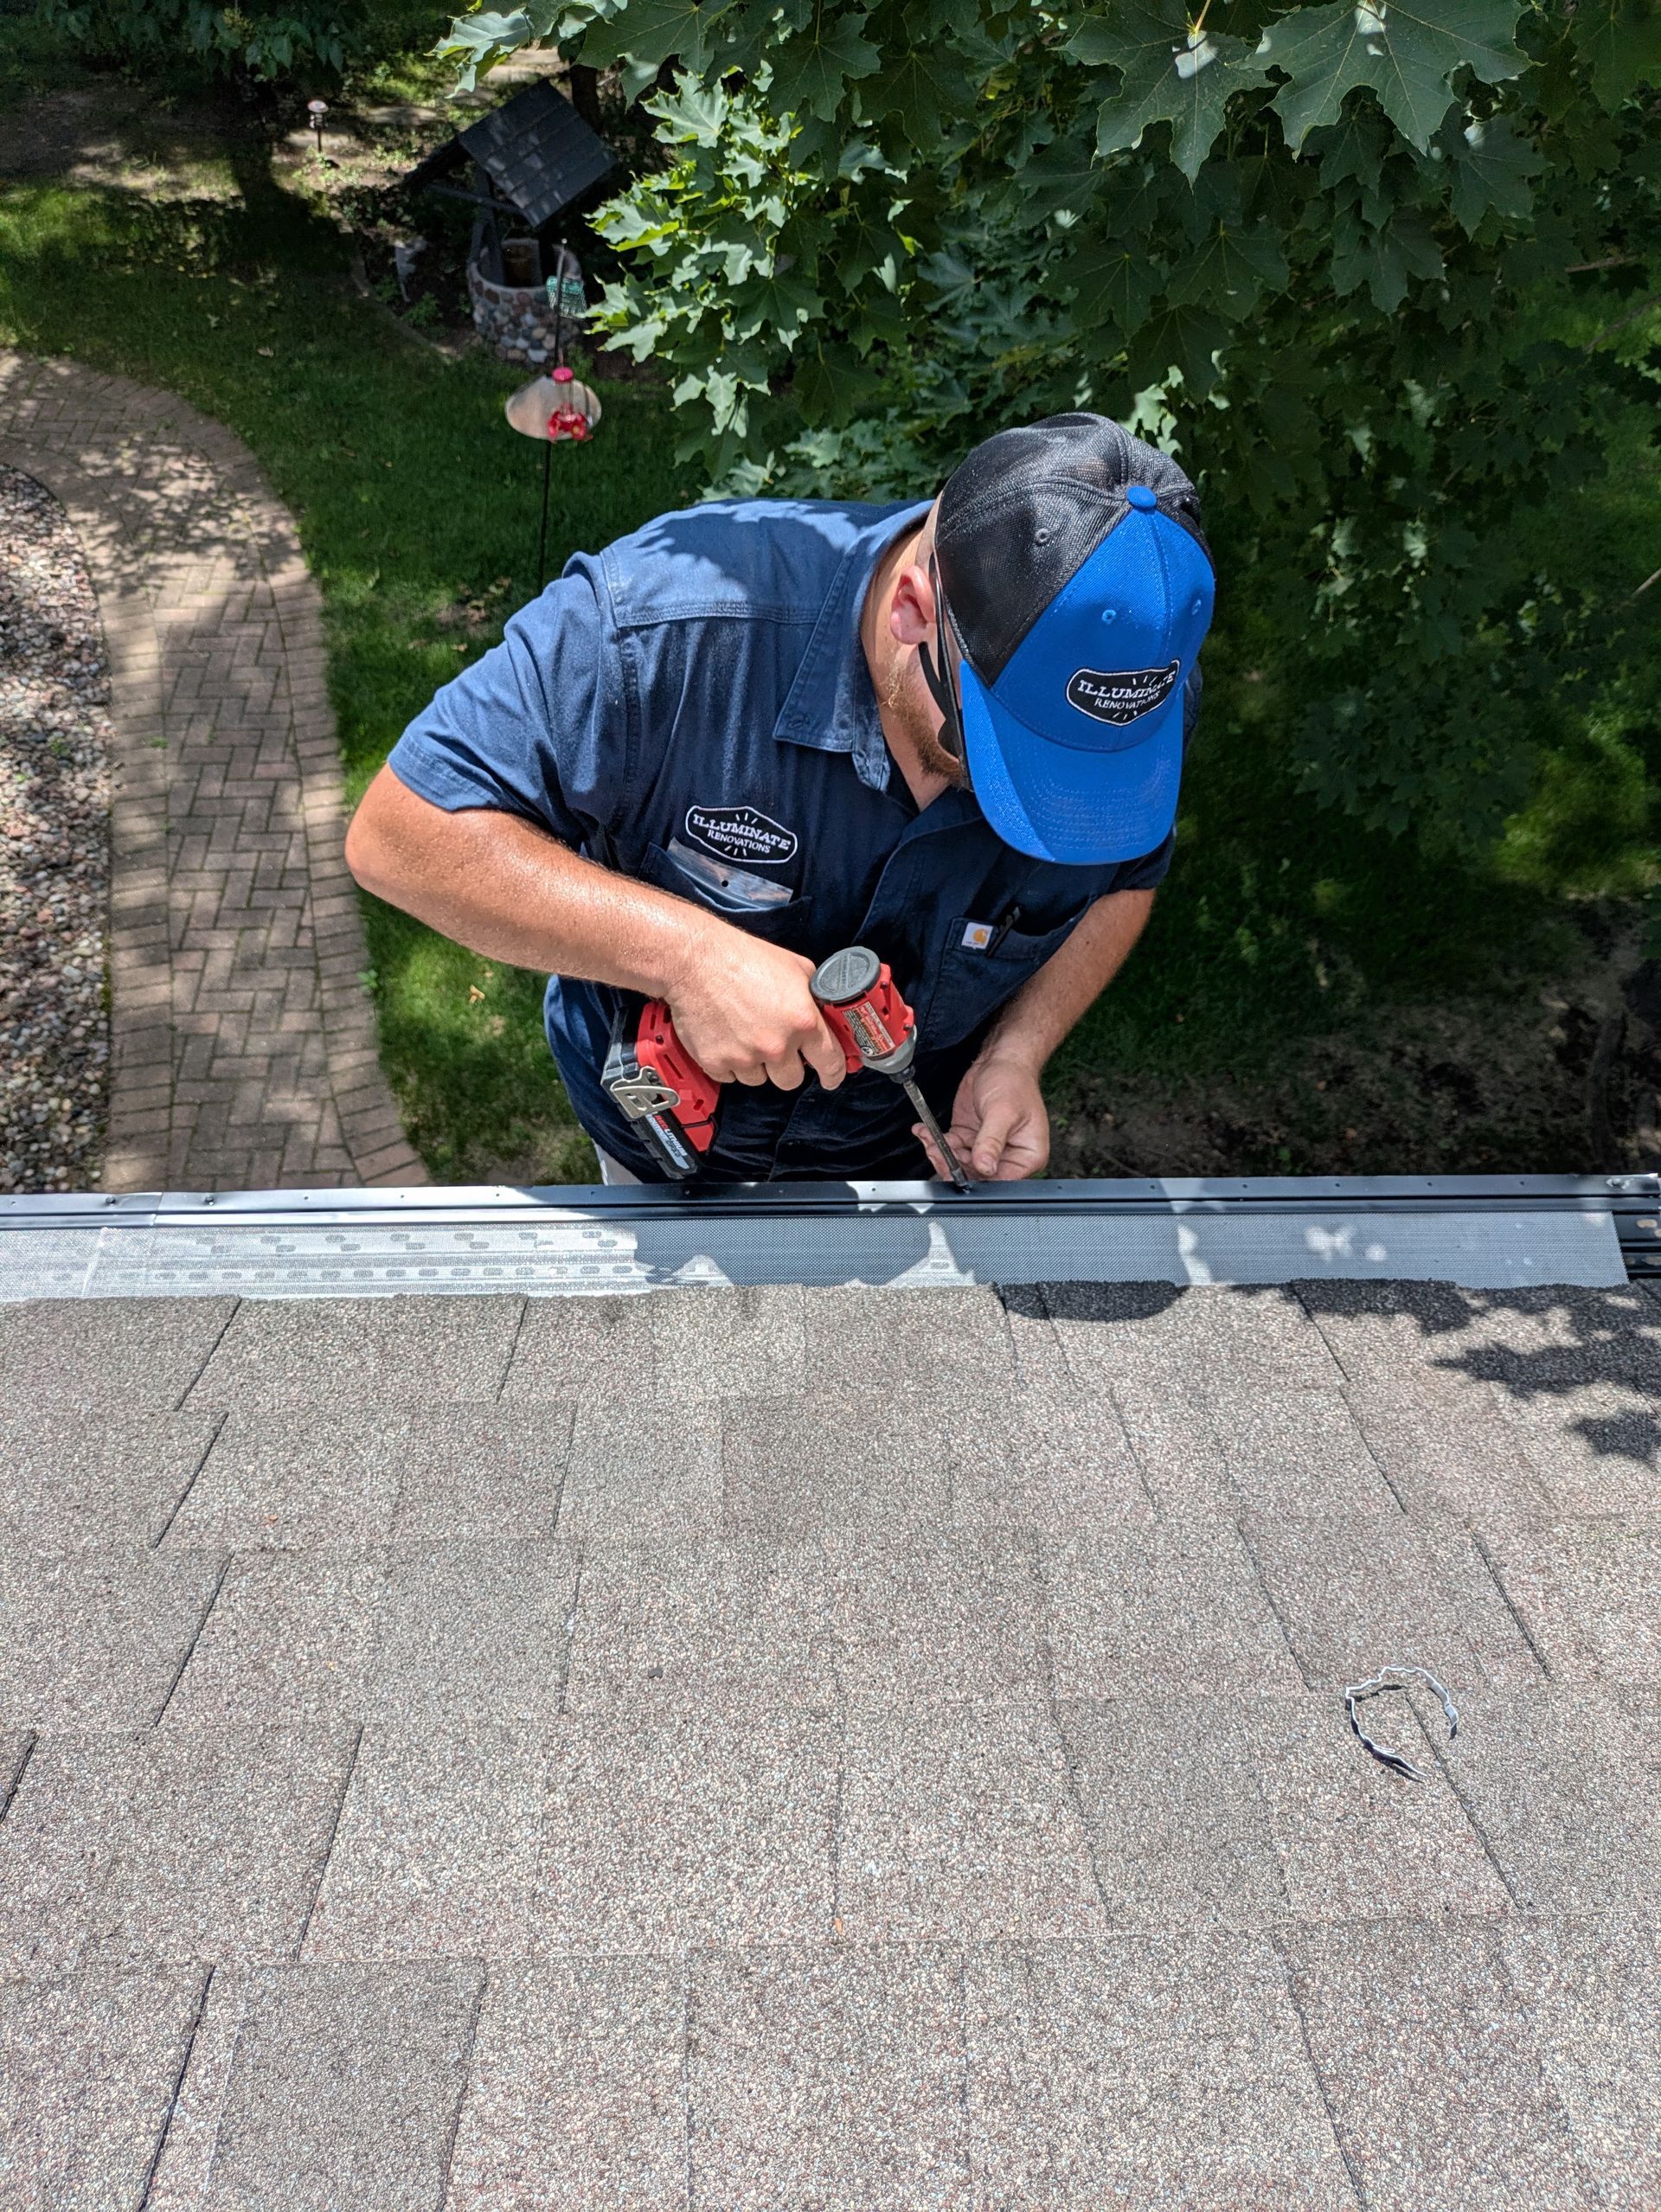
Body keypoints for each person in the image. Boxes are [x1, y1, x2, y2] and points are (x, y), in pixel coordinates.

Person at [344, 412, 1215, 1184]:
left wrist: (1017, 1051)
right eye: (994, 750)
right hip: (660, 1144)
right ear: (913, 610)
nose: (1024, 794)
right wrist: (686, 958)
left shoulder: (1120, 695)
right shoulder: (668, 628)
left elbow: (1125, 875)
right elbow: (401, 833)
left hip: (897, 1156)